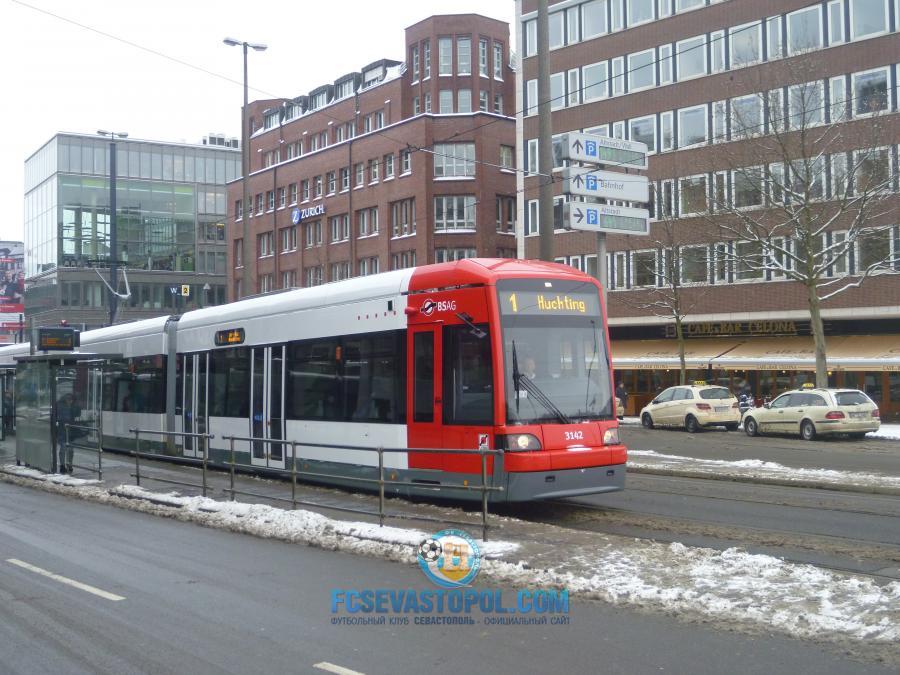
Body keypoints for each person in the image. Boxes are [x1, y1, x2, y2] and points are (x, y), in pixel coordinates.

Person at [56, 393, 81, 473]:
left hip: (70, 431)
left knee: (71, 449)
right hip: (62, 430)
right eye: (69, 400)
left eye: (71, 400)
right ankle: (62, 466)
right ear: (65, 399)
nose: (70, 401)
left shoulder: (72, 406)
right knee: (63, 448)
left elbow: (77, 414)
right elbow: (60, 417)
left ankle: (69, 465)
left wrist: (76, 406)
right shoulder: (60, 406)